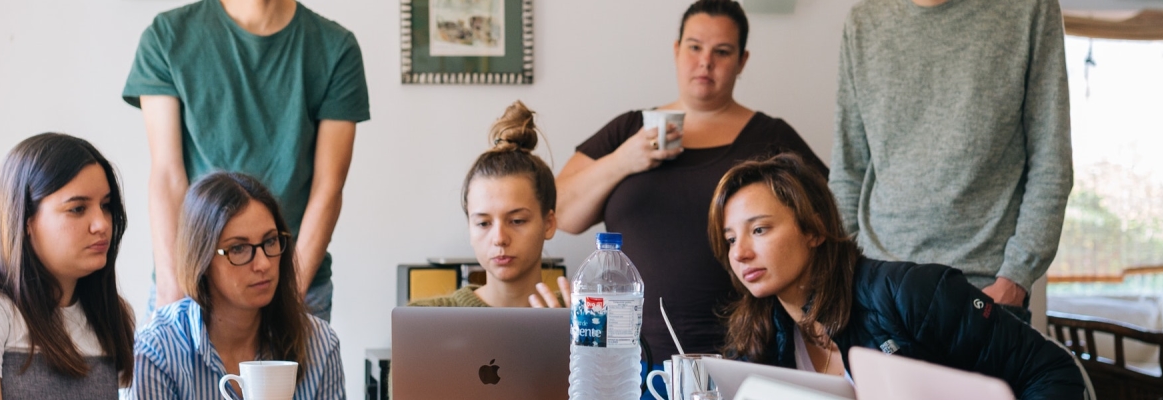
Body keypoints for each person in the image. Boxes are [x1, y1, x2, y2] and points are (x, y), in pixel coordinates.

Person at [555, 0, 825, 372]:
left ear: (742, 61)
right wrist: (624, 160)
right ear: (676, 49)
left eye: (722, 51)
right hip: (626, 364)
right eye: (695, 47)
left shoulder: (771, 137)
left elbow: (825, 223)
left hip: (746, 359)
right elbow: (562, 215)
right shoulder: (628, 129)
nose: (705, 62)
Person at [707, 154, 1086, 399]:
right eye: (729, 239)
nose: (739, 253)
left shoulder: (912, 295)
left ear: (814, 230)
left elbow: (1051, 371)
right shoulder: (758, 337)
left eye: (759, 230)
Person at [123, 0, 371, 321]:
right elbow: (168, 176)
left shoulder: (335, 48)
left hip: (293, 279)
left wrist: (288, 297)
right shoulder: (167, 36)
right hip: (196, 282)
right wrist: (173, 294)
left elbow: (329, 187)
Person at [828, 0, 1073, 318]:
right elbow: (848, 168)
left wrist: (1015, 278)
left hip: (982, 295)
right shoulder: (864, 20)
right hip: (876, 289)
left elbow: (1051, 162)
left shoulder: (1029, 8)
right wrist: (843, 274)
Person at [0, 132, 138, 400]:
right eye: (77, 209)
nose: (102, 224)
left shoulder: (108, 313)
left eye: (106, 206)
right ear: (26, 219)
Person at [124, 172, 343, 400]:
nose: (263, 263)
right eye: (238, 248)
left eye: (270, 241)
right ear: (203, 260)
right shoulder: (157, 349)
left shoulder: (320, 344)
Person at [410, 101, 570, 308]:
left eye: (517, 220)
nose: (499, 239)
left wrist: (569, 340)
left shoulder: (585, 322)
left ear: (548, 224)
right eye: (484, 223)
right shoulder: (424, 319)